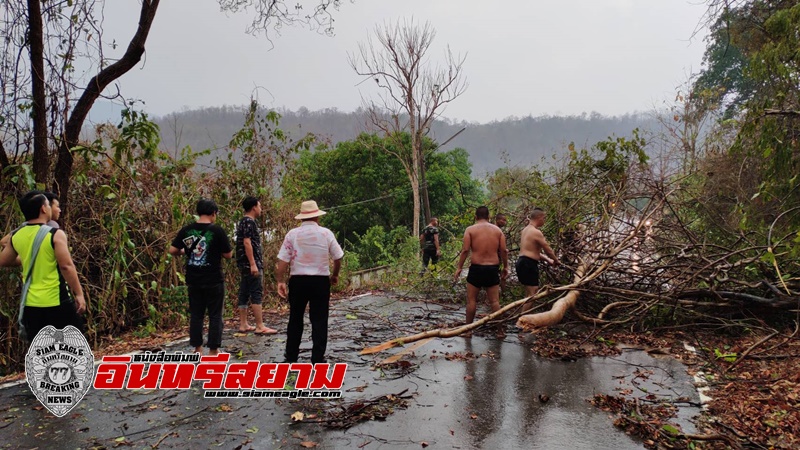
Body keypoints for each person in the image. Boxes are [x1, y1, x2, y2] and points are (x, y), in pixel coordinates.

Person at [0, 191, 86, 341]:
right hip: (57, 301)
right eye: (48, 204)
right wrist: (79, 294)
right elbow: (66, 266)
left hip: (31, 305)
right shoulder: (55, 234)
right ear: (43, 209)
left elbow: (3, 261)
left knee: (41, 351)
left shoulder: (16, 236)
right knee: (74, 346)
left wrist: (27, 258)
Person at [276, 200, 344, 364]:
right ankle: (317, 358)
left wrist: (280, 281)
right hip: (320, 281)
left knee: (295, 318)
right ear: (317, 217)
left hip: (298, 281)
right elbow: (338, 257)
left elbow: (282, 263)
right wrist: (334, 275)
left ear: (301, 218)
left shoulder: (292, 234)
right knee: (319, 320)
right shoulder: (326, 233)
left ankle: (291, 357)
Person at [169, 199, 232, 355]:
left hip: (193, 280)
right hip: (214, 279)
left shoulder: (187, 230)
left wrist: (184, 251)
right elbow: (228, 254)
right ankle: (213, 350)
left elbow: (172, 250)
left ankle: (197, 348)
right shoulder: (217, 231)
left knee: (197, 314)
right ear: (213, 213)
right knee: (215, 315)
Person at [454, 206, 509, 336]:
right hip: (492, 268)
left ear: (475, 216)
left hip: (476, 268)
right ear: (489, 217)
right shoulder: (497, 231)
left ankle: (468, 331)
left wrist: (459, 267)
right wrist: (506, 267)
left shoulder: (470, 230)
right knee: (495, 301)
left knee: (471, 300)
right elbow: (503, 251)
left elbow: (465, 250)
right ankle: (500, 331)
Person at [235, 196, 277, 335]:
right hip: (250, 263)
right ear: (254, 207)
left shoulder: (242, 222)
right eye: (259, 206)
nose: (261, 209)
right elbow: (247, 242)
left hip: (243, 263)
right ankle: (260, 325)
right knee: (256, 292)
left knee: (244, 291)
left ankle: (244, 324)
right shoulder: (249, 222)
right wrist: (253, 264)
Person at [517, 207, 560, 312]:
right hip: (528, 264)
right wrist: (556, 260)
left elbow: (533, 252)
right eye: (544, 218)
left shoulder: (525, 230)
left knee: (529, 293)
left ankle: (522, 319)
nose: (544, 220)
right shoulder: (536, 232)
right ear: (539, 218)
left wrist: (548, 260)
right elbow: (548, 249)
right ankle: (522, 321)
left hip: (522, 262)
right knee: (533, 293)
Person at [494, 213, 509, 292]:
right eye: (503, 220)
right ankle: (502, 294)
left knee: (502, 276)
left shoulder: (497, 231)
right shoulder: (497, 231)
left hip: (498, 258)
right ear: (497, 220)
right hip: (495, 259)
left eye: (505, 220)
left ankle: (503, 294)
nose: (504, 222)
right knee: (501, 276)